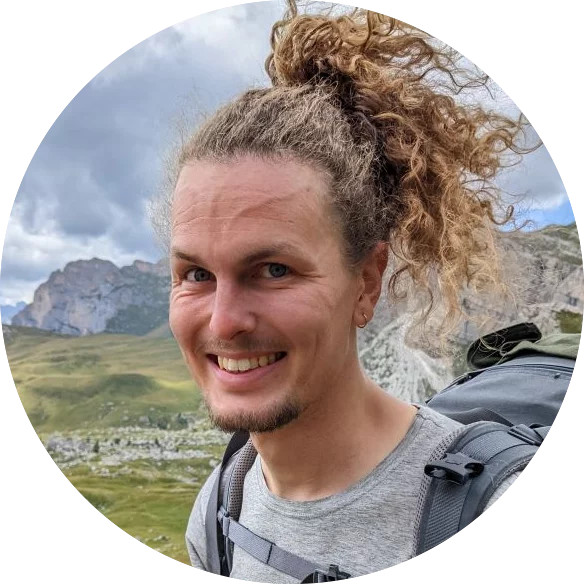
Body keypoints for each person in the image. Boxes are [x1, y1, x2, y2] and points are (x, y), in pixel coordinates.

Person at [150, 1, 532, 580]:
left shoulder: (497, 510)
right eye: (197, 275)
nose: (224, 322)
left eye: (273, 269)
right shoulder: (218, 511)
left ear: (367, 282)